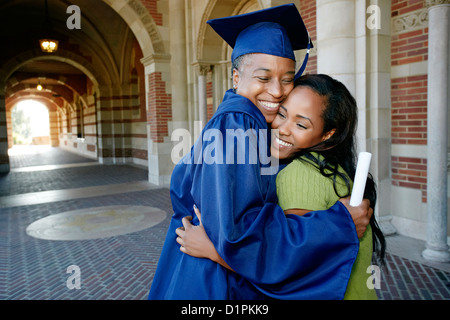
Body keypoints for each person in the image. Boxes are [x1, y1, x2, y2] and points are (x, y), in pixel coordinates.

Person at [148, 4, 372, 300]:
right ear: (237, 77)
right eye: (264, 78)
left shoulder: (248, 123)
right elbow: (241, 236)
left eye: (288, 78)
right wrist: (337, 226)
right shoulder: (238, 122)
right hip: (214, 281)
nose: (278, 91)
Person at [177, 74, 386, 300]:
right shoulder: (333, 169)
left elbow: (296, 268)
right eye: (282, 114)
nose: (283, 129)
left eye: (301, 124)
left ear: (328, 134)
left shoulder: (298, 175)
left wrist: (214, 251)